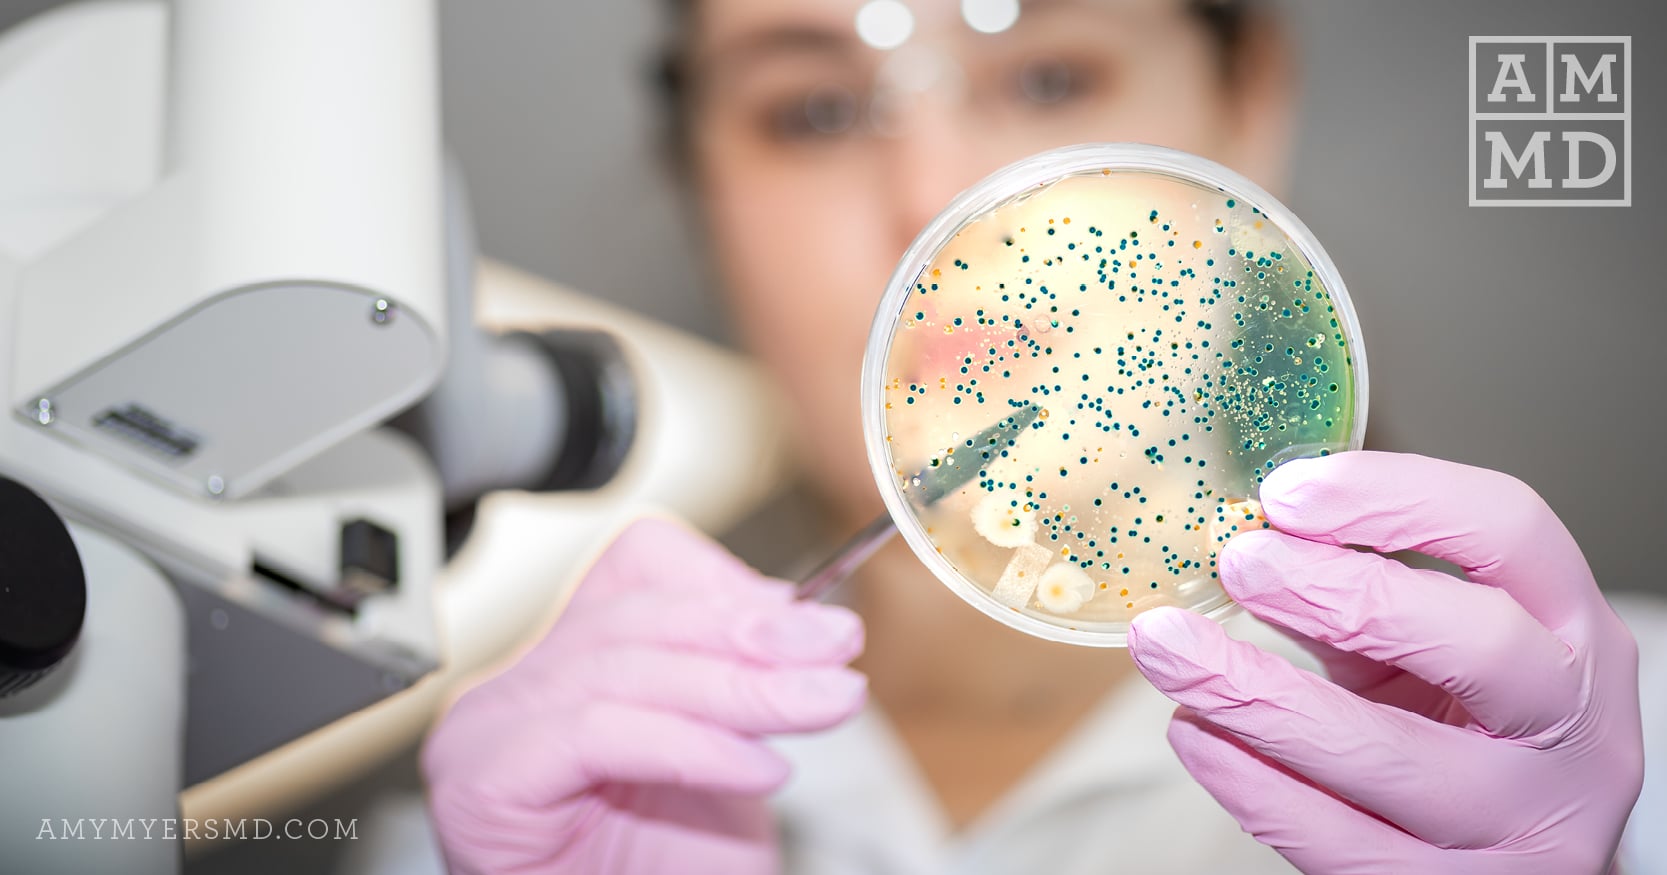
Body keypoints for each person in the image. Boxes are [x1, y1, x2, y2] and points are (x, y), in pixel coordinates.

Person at [417, 1, 1664, 872]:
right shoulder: (514, 805)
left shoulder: (1611, 739)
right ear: (700, 186)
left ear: (1247, 105)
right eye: (812, 110)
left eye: (1048, 77)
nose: (934, 193)